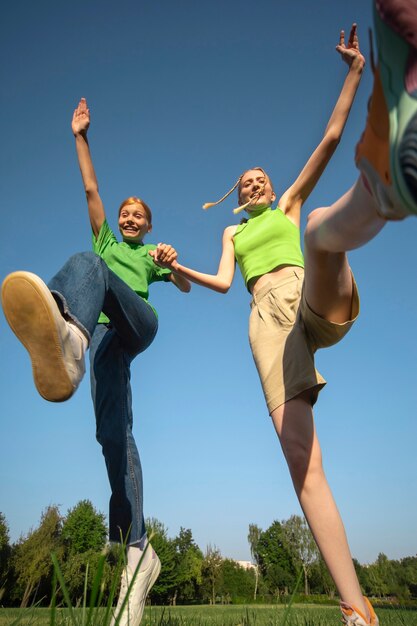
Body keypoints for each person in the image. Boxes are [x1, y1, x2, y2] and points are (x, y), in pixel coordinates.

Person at [149, 2, 417, 624]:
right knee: (301, 460)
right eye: (247, 184)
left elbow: (327, 139)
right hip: (265, 325)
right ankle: (358, 612)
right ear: (238, 198)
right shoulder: (236, 237)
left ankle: (382, 183)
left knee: (321, 229)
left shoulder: (288, 205)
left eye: (261, 180)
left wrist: (354, 74)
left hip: (311, 298)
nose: (256, 185)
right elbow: (219, 285)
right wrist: (174, 264)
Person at [1, 97, 191, 626]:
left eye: (138, 216)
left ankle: (68, 339)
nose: (129, 218)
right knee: (113, 436)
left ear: (147, 227)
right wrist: (80, 137)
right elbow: (91, 189)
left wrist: (172, 265)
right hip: (103, 338)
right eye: (125, 213)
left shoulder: (147, 257)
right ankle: (137, 548)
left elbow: (183, 286)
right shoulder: (104, 237)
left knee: (97, 271)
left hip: (137, 323)